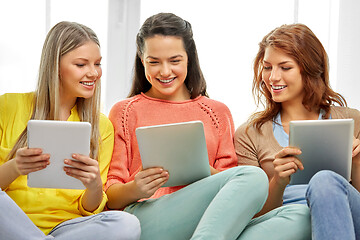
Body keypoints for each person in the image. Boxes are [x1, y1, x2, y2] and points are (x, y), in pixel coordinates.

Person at [105, 13, 310, 240]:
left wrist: (200, 171)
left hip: (209, 223)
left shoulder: (216, 113)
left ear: (189, 58)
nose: (164, 71)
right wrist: (136, 188)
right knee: (255, 176)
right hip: (148, 219)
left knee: (300, 216)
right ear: (142, 60)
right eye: (154, 62)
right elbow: (111, 196)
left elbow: (235, 188)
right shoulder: (124, 111)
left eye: (174, 61)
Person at [0, 21, 140, 240]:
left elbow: (90, 207)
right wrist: (15, 166)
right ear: (55, 66)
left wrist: (94, 185)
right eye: (81, 64)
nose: (94, 73)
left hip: (69, 228)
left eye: (97, 64)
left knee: (127, 224)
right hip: (12, 223)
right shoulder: (8, 106)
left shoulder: (101, 126)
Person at [234, 23, 360, 240]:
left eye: (285, 67)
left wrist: (357, 163)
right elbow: (253, 215)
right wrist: (278, 182)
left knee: (324, 181)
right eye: (267, 67)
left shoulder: (351, 119)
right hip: (287, 222)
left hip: (347, 216)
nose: (272, 77)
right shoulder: (250, 134)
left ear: (309, 68)